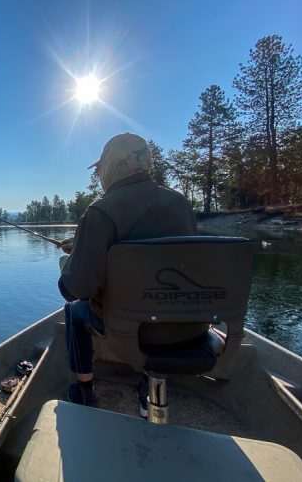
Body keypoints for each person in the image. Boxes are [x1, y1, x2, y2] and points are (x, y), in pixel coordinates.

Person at [58, 133, 197, 412]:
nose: (99, 175)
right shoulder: (180, 204)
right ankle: (147, 384)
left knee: (74, 311)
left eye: (100, 169)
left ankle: (84, 390)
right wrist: (84, 245)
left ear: (112, 166)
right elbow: (153, 246)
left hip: (128, 331)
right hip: (190, 325)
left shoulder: (100, 212)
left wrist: (73, 261)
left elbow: (78, 288)